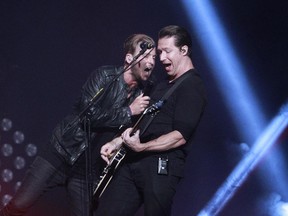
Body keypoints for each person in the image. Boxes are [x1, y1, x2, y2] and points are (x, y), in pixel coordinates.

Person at [0, 33, 156, 216]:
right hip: (60, 152)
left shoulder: (143, 96)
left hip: (87, 170)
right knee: (19, 204)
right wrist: (128, 112)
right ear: (129, 58)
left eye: (154, 57)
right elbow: (88, 115)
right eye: (145, 55)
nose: (151, 62)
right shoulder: (105, 76)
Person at [95, 25, 207, 216]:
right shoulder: (161, 84)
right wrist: (116, 142)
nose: (161, 58)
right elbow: (141, 122)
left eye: (167, 51)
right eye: (159, 52)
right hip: (132, 161)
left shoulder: (192, 86)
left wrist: (143, 147)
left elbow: (180, 136)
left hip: (160, 167)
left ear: (184, 50)